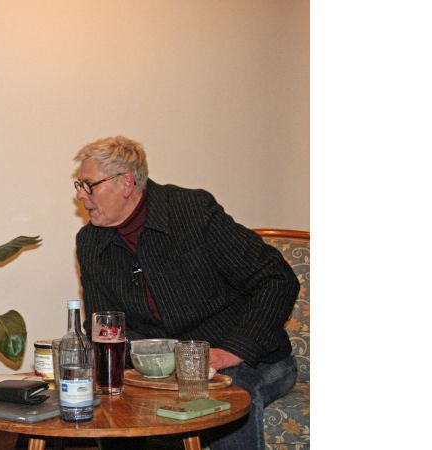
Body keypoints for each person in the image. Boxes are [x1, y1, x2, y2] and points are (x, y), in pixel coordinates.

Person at [72, 136, 299, 450]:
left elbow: (277, 279)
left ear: (126, 183)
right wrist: (147, 365)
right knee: (112, 404)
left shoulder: (192, 211)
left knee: (224, 402)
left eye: (89, 185)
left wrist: (232, 351)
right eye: (79, 185)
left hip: (252, 361)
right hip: (164, 370)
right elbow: (103, 323)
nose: (81, 195)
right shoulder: (91, 242)